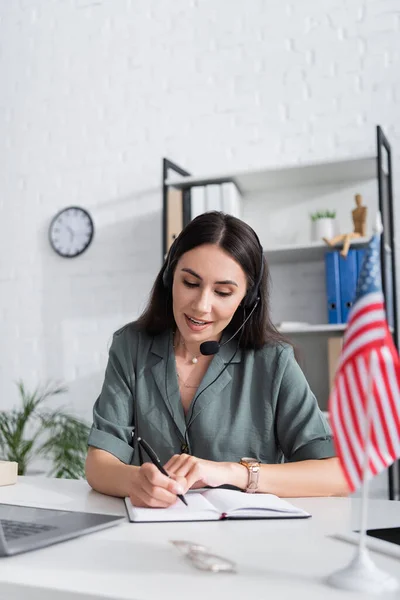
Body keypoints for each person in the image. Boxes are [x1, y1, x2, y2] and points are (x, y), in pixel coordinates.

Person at [86, 212, 349, 507]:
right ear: (168, 278)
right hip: (153, 536)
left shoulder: (274, 362)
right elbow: (99, 462)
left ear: (247, 300)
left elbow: (337, 476)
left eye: (223, 292)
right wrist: (135, 481)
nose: (201, 306)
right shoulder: (130, 346)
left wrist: (233, 472)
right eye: (190, 283)